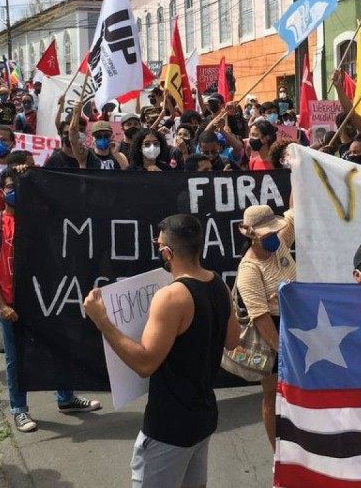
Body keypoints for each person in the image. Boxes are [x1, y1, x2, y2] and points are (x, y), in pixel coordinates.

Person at [83, 213, 238, 488]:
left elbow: (145, 363)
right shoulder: (219, 285)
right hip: (202, 418)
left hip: (169, 426)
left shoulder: (171, 297)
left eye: (159, 245)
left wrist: (102, 321)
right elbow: (232, 340)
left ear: (167, 252)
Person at [0, 168, 100, 433]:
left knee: (59, 348)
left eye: (19, 186)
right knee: (15, 359)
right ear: (1, 192)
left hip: (46, 301)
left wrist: (33, 174)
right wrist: (2, 305)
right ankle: (19, 409)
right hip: (12, 304)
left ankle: (66, 398)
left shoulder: (42, 220)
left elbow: (68, 202)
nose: (15, 191)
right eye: (10, 187)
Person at [234, 204, 295, 451]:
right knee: (273, 393)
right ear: (252, 235)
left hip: (297, 320)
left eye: (274, 232)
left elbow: (295, 208)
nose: (273, 237)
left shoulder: (280, 242)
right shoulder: (249, 270)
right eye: (267, 234)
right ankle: (277, 452)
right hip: (273, 330)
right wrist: (283, 351)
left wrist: (298, 176)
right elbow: (260, 316)